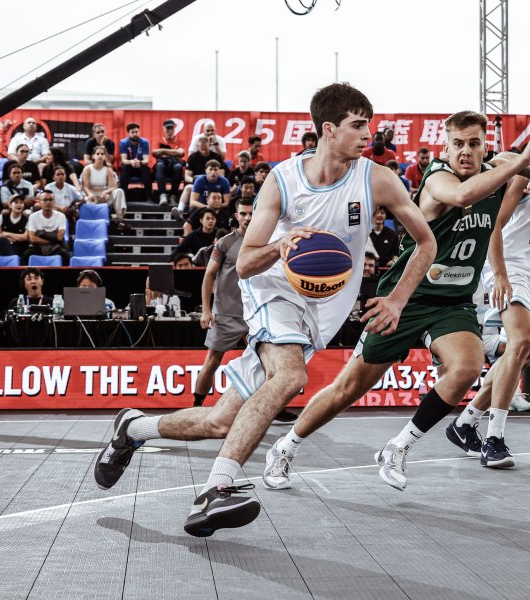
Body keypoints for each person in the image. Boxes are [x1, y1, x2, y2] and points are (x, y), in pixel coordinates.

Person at [92, 82, 435, 537]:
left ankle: (133, 428)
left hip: (321, 313)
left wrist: (397, 297)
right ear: (329, 130)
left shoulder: (378, 180)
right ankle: (216, 489)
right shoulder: (284, 180)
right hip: (272, 292)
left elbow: (426, 242)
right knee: (291, 377)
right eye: (357, 125)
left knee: (219, 421)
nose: (367, 134)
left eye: (368, 125)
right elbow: (247, 262)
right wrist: (281, 246)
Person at [264, 111, 530, 490]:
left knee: (466, 368)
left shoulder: (498, 167)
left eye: (474, 143)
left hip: (453, 302)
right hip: (404, 297)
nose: (466, 151)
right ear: (445, 147)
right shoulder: (437, 179)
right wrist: (522, 162)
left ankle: (398, 447)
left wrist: (529, 171)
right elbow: (464, 195)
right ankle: (286, 447)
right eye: (458, 144)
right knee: (347, 390)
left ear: (486, 146)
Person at [449, 105, 530, 463]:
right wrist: (502, 275)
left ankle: (465, 422)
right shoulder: (528, 172)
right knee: (520, 341)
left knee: (521, 354)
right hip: (511, 266)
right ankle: (494, 440)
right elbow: (495, 224)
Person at [192, 197, 253, 407]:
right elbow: (209, 276)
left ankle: (273, 406)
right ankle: (196, 405)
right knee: (212, 361)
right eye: (243, 214)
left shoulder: (266, 241)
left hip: (256, 315)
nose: (247, 218)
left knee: (267, 363)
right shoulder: (224, 243)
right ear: (236, 216)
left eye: (252, 213)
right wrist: (206, 311)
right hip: (226, 313)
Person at [174, 135, 225, 219]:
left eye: (206, 149)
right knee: (188, 188)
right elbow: (187, 177)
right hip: (199, 184)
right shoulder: (192, 157)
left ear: (209, 145)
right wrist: (197, 181)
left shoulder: (216, 157)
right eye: (202, 149)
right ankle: (180, 209)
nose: (204, 151)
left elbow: (222, 175)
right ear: (197, 147)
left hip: (215, 185)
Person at [81, 146, 128, 226]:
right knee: (88, 199)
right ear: (93, 156)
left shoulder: (108, 170)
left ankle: (120, 218)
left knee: (119, 191)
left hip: (104, 195)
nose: (100, 156)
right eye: (98, 153)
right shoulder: (87, 169)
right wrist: (91, 195)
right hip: (91, 195)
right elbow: (85, 187)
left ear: (105, 156)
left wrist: (106, 192)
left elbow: (113, 187)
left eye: (102, 154)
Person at [24, 190, 70, 265]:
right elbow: (32, 238)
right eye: (45, 200)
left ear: (54, 202)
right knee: (27, 255)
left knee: (65, 255)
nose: (48, 202)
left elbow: (60, 237)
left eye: (50, 200)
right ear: (40, 202)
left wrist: (41, 233)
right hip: (38, 246)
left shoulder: (61, 216)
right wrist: (52, 236)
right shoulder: (33, 216)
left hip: (56, 246)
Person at [153, 119, 186, 205]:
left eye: (171, 128)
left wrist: (163, 150)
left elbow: (181, 153)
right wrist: (174, 152)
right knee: (159, 165)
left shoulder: (180, 141)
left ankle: (173, 196)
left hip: (174, 167)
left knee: (178, 167)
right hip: (163, 167)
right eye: (167, 129)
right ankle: (163, 195)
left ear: (174, 129)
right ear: (164, 129)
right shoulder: (158, 140)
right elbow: (155, 152)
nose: (169, 131)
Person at [118, 122, 151, 199]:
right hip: (129, 165)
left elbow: (146, 160)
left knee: (147, 169)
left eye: (136, 132)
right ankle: (123, 196)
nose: (135, 134)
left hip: (140, 165)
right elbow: (124, 160)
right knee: (124, 167)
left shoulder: (145, 142)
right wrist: (131, 162)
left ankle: (149, 196)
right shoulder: (123, 142)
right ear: (128, 133)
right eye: (132, 132)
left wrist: (139, 162)